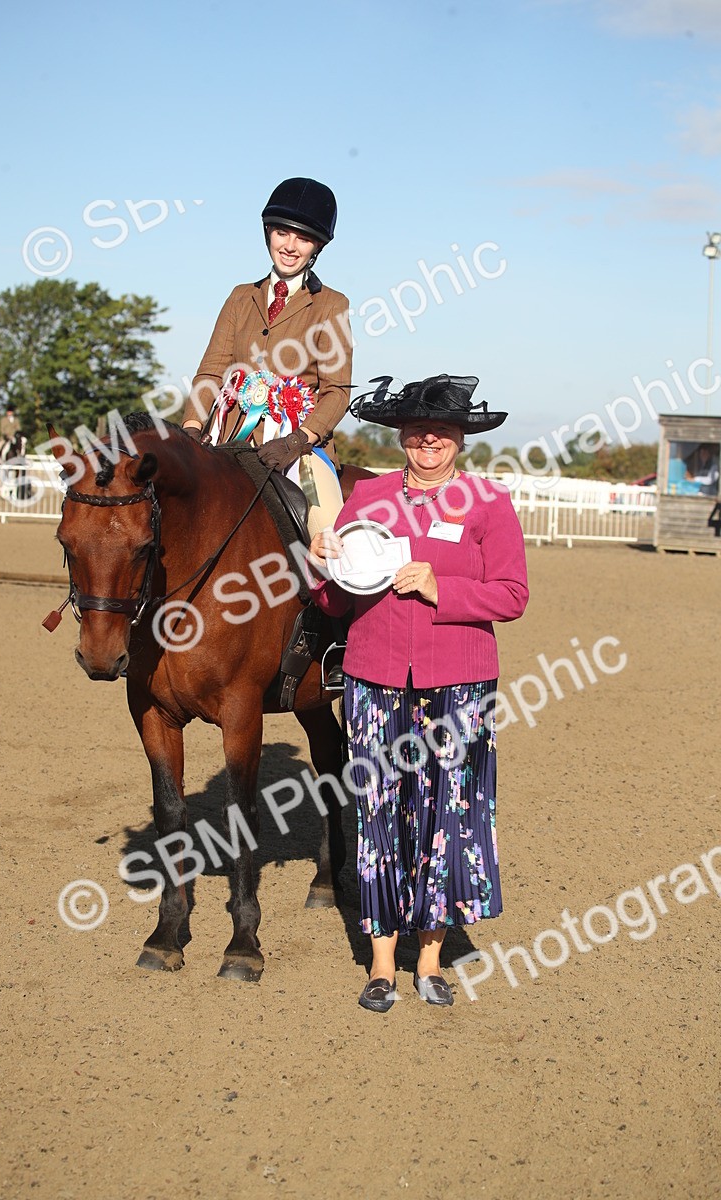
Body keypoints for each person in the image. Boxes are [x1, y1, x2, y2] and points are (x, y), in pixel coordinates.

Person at [308, 374, 529, 1012]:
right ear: (401, 436)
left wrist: (442, 589)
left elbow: (513, 596)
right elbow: (336, 596)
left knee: (447, 817)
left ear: (460, 439)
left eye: (440, 432)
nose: (427, 440)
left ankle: (430, 960)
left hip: (460, 683)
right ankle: (381, 966)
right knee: (378, 813)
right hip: (374, 678)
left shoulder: (489, 502)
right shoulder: (371, 497)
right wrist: (324, 562)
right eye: (416, 430)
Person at [181, 177, 352, 536]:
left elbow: (337, 391)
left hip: (297, 452)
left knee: (328, 535)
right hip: (227, 440)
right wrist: (192, 429)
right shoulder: (240, 297)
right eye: (282, 234)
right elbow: (211, 373)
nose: (290, 246)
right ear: (268, 233)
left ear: (316, 246)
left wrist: (297, 440)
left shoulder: (332, 305)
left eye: (303, 238)